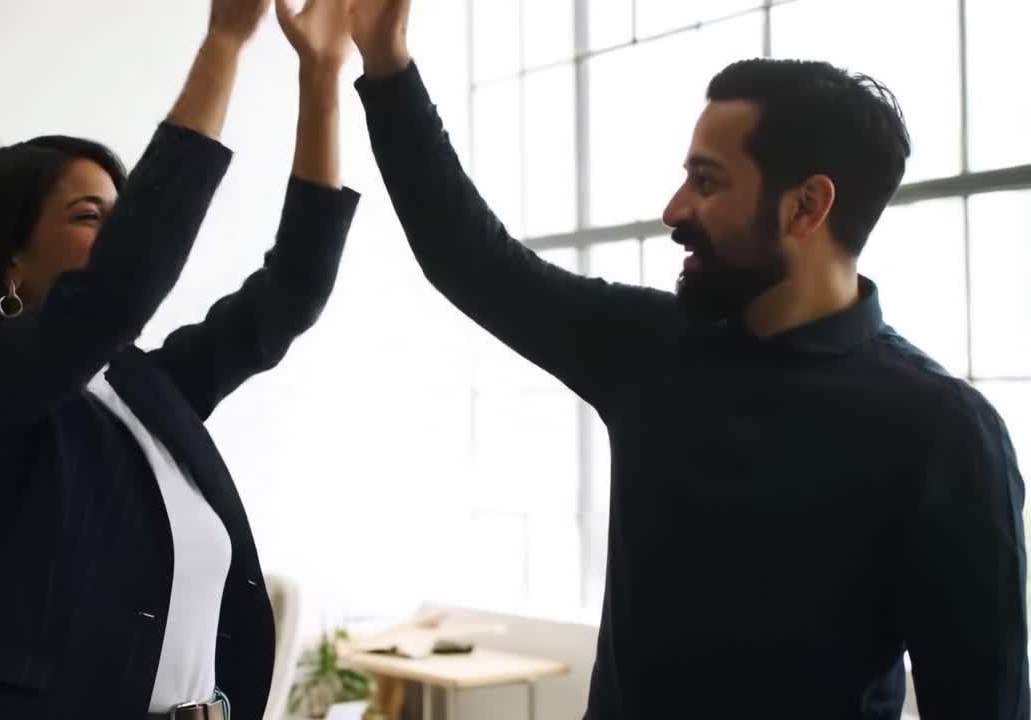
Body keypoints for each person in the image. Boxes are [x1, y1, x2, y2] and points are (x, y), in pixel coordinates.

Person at [346, 1, 1029, 718]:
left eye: (707, 181)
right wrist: (386, 62)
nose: (674, 209)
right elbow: (471, 260)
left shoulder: (945, 436)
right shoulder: (646, 346)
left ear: (806, 208)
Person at [0, 0, 359, 717]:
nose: (116, 234)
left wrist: (322, 77)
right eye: (91, 216)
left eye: (122, 215)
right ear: (11, 258)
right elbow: (120, 286)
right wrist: (224, 42)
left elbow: (292, 293)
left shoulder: (144, 386)